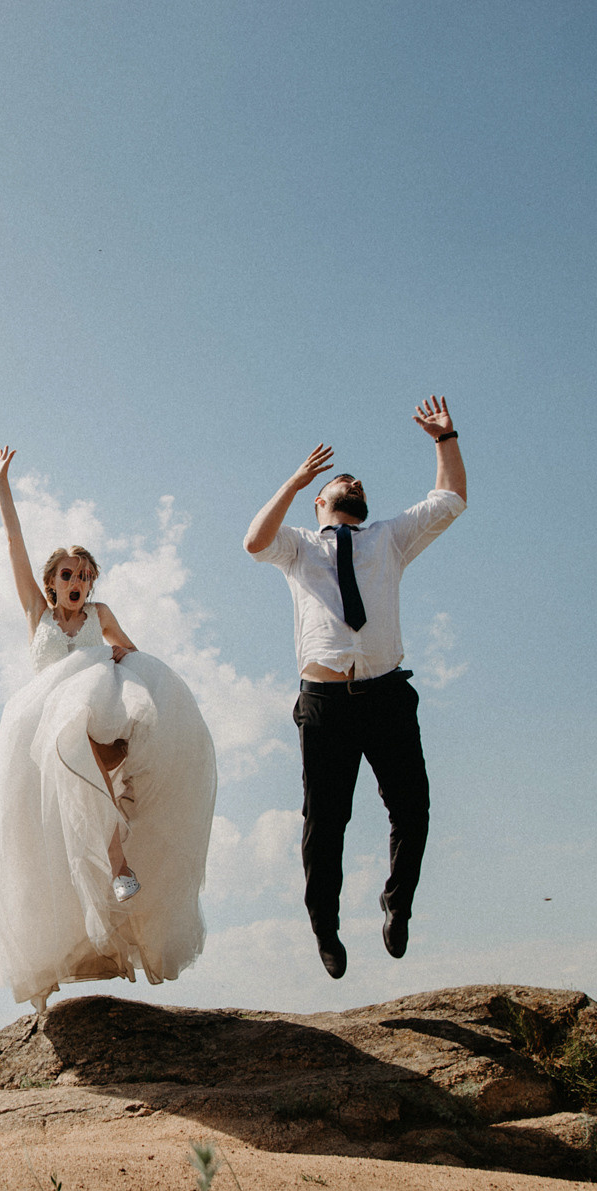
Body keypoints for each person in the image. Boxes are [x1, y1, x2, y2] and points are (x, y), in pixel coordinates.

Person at [0, 448, 218, 1010]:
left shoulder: (99, 616)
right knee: (37, 848)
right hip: (37, 730)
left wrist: (116, 671)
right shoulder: (38, 612)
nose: (76, 582)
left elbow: (128, 651)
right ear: (51, 582)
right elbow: (14, 545)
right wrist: (3, 486)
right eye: (66, 575)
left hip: (86, 720)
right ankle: (40, 984)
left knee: (88, 724)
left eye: (84, 575)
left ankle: (118, 862)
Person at [243, 396, 468, 979]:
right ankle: (325, 927)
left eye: (359, 480)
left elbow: (450, 502)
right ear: (321, 501)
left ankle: (398, 902)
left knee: (412, 808)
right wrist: (296, 481)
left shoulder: (387, 539)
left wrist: (445, 440)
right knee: (326, 821)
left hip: (388, 695)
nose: (355, 479)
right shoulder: (298, 547)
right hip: (324, 705)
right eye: (344, 479)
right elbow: (252, 542)